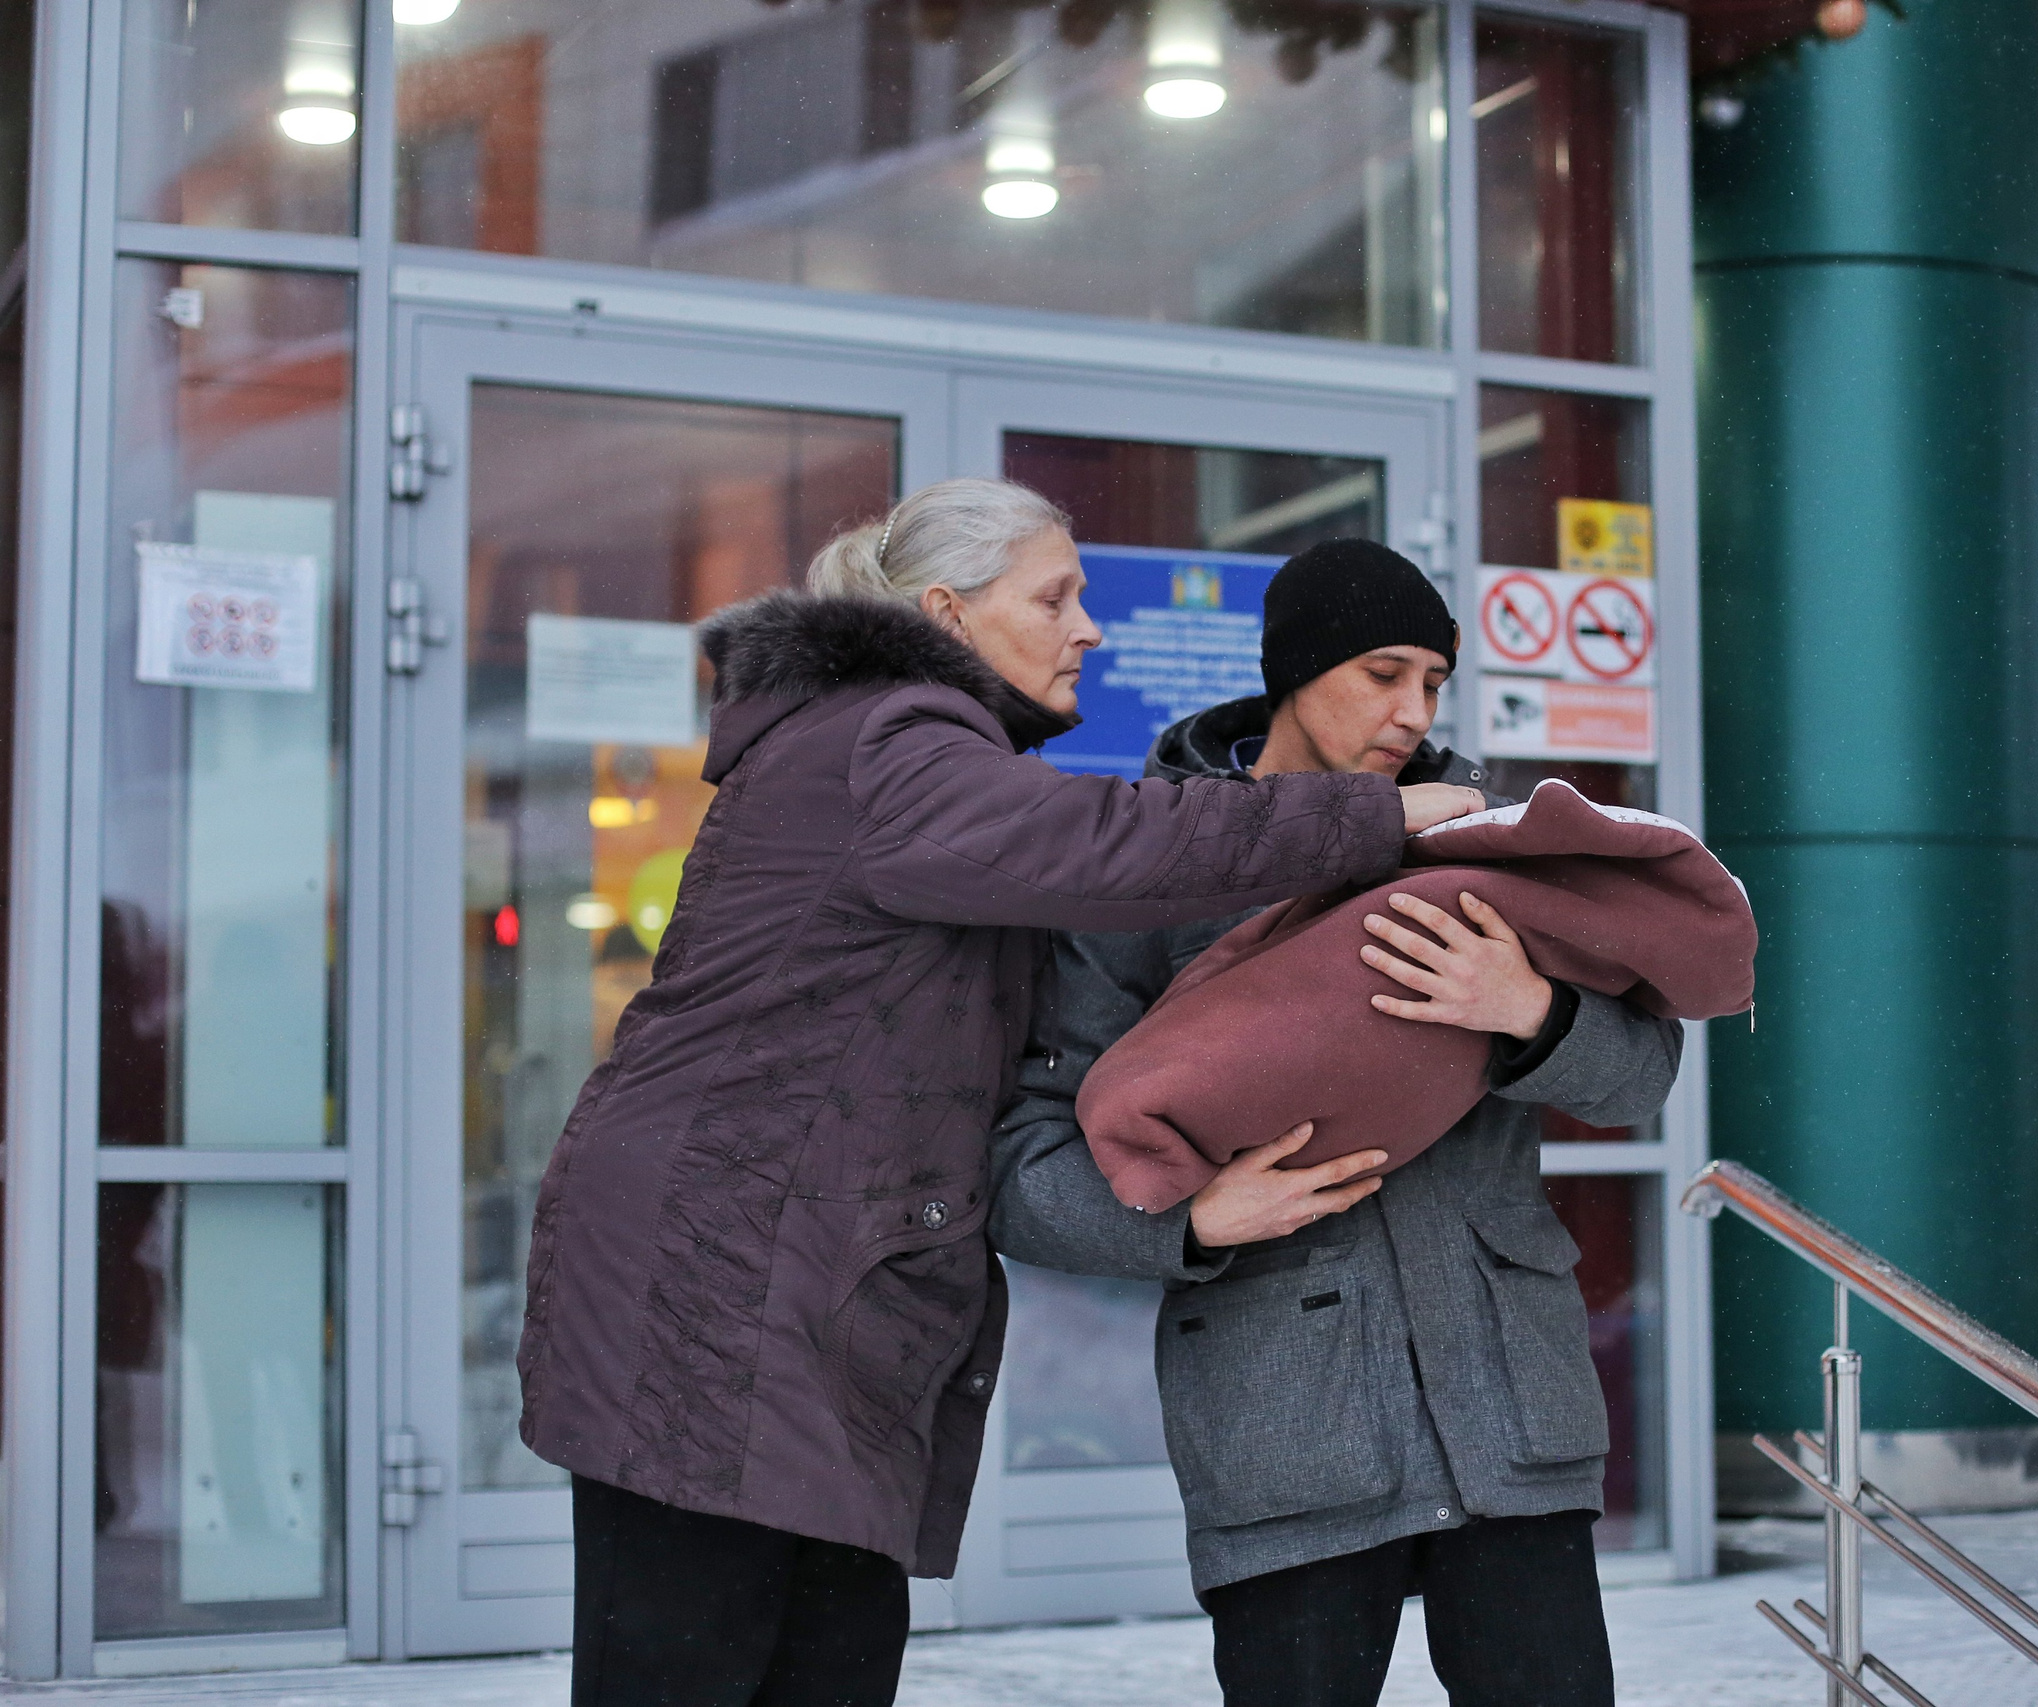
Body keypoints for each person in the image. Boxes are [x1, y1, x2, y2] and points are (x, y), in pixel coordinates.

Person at [515, 482, 1487, 1707]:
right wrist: (1365, 820)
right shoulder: (888, 740)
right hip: (719, 1272)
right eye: (1055, 597)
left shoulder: (903, 749)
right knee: (696, 1655)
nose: (1089, 627)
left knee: (822, 1648)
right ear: (946, 613)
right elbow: (1110, 847)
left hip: (796, 1271)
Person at [990, 538, 1683, 1707]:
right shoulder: (1155, 864)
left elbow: (1641, 1081)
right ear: (1293, 675)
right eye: (1381, 673)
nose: (1413, 711)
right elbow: (1024, 1160)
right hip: (1285, 1425)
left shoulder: (1494, 843)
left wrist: (1530, 1011)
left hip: (1508, 1408)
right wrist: (1195, 1221)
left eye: (1433, 680)